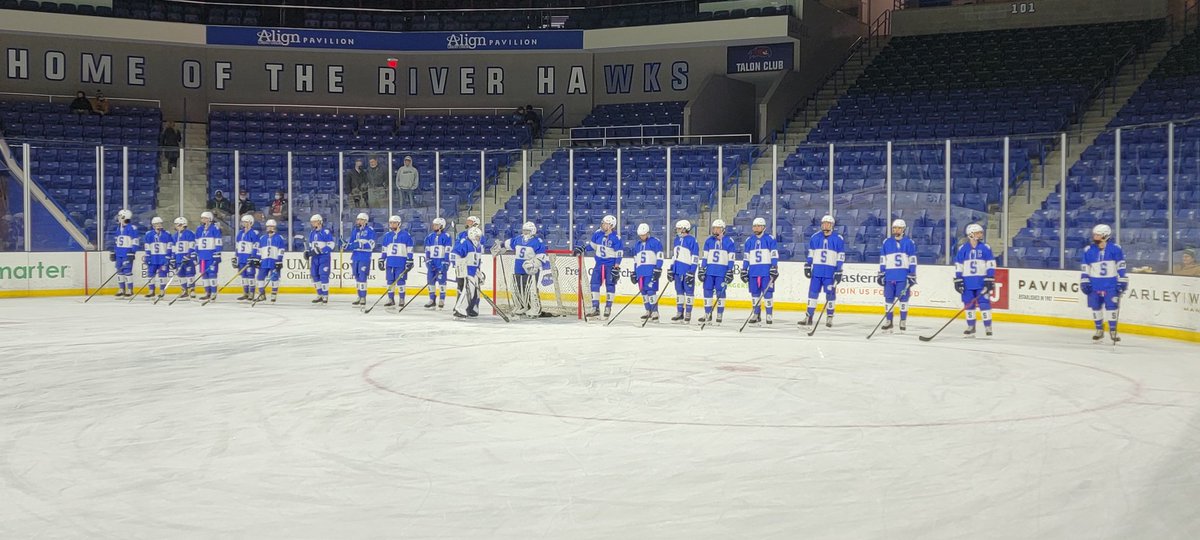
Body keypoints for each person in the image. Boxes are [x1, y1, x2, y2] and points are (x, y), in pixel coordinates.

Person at [492, 221, 551, 318]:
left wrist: (533, 264)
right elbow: (508, 243)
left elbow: (541, 257)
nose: (525, 232)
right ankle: (522, 306)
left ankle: (535, 308)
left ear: (533, 231)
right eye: (524, 230)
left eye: (527, 231)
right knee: (518, 289)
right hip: (518, 268)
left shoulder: (537, 241)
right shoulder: (518, 239)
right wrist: (500, 246)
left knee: (531, 289)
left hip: (530, 270)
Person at [1080, 224, 1128, 342]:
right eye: (1094, 234)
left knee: (1112, 306)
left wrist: (1122, 279)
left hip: (1110, 283)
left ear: (1105, 236)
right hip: (1094, 283)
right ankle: (1099, 330)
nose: (1095, 237)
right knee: (1095, 307)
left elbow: (1120, 264)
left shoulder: (1115, 249)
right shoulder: (1089, 250)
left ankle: (1113, 331)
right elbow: (1085, 266)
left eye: (1098, 235)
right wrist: (1084, 279)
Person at [574, 214, 623, 319]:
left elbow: (619, 253)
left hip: (610, 265)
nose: (602, 224)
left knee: (610, 285)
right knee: (594, 284)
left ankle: (608, 307)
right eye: (603, 223)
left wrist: (617, 266)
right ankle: (595, 308)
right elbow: (592, 246)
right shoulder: (597, 234)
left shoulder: (616, 238)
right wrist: (583, 248)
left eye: (605, 223)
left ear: (611, 225)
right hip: (599, 264)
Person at [800, 215, 845, 328]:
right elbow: (811, 253)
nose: (825, 225)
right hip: (817, 272)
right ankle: (809, 317)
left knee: (830, 295)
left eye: (828, 223)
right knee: (812, 294)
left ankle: (829, 317)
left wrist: (839, 270)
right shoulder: (815, 237)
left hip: (830, 273)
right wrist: (808, 265)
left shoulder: (838, 238)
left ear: (832, 225)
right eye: (823, 223)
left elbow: (840, 256)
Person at [954, 223, 996, 337]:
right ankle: (971, 326)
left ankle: (988, 326)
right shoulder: (962, 249)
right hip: (967, 282)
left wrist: (990, 277)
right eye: (978, 232)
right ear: (971, 234)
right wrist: (958, 279)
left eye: (980, 232)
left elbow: (991, 263)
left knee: (984, 303)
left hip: (981, 281)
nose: (981, 234)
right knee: (968, 304)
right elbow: (959, 265)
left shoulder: (985, 247)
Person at [877, 219, 917, 332]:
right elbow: (883, 259)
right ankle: (889, 321)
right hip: (889, 276)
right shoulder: (886, 242)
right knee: (888, 299)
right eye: (894, 228)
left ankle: (903, 320)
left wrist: (912, 273)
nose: (896, 230)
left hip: (903, 277)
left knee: (903, 299)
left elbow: (912, 260)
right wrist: (881, 273)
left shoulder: (909, 243)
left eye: (899, 228)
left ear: (903, 229)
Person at [698, 219, 737, 325]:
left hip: (721, 272)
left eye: (717, 228)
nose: (714, 230)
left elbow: (731, 258)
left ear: (722, 229)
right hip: (709, 272)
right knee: (707, 291)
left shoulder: (729, 241)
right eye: (713, 228)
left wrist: (730, 270)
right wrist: (702, 268)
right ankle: (707, 314)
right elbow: (705, 257)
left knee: (721, 292)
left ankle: (719, 314)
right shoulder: (708, 241)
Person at [741, 217, 779, 325]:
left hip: (766, 272)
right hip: (753, 272)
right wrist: (744, 269)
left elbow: (774, 254)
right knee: (755, 294)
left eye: (758, 226)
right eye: (754, 226)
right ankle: (756, 314)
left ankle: (769, 314)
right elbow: (746, 257)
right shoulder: (749, 241)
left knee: (768, 294)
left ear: (763, 227)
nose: (756, 228)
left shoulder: (770, 239)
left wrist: (774, 266)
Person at [378, 215, 415, 308]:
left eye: (394, 223)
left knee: (401, 281)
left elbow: (409, 249)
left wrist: (409, 260)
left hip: (401, 262)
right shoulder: (387, 236)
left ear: (399, 224)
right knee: (390, 281)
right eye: (390, 223)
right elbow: (384, 249)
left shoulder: (406, 235)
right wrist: (382, 259)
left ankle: (402, 299)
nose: (392, 224)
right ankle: (390, 299)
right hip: (390, 262)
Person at [631, 223, 664, 323]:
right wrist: (635, 272)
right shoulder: (637, 245)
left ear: (648, 233)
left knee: (651, 291)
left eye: (644, 235)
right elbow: (636, 261)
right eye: (640, 235)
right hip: (641, 272)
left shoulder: (655, 242)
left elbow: (660, 257)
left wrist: (658, 268)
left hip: (650, 271)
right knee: (643, 292)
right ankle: (648, 310)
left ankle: (655, 312)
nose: (642, 237)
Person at [668, 219, 699, 324]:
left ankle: (688, 313)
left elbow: (695, 257)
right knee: (679, 292)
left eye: (679, 228)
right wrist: (671, 268)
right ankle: (679, 312)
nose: (677, 230)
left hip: (687, 271)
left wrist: (692, 271)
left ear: (685, 229)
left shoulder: (692, 240)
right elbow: (674, 256)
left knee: (689, 292)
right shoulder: (676, 240)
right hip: (677, 271)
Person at [451, 226, 485, 318]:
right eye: (477, 236)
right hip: (467, 272)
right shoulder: (465, 243)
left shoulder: (477, 246)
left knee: (472, 292)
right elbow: (454, 254)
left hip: (473, 272)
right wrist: (458, 266)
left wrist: (478, 273)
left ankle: (466, 309)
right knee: (466, 291)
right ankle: (459, 309)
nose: (479, 238)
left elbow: (477, 262)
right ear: (472, 235)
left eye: (479, 236)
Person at [345, 212, 376, 306]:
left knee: (362, 276)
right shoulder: (355, 231)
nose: (358, 221)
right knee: (357, 277)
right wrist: (346, 245)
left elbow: (372, 245)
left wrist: (360, 244)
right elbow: (351, 243)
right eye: (358, 219)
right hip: (355, 256)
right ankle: (359, 295)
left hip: (364, 257)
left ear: (365, 221)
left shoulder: (370, 230)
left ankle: (363, 297)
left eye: (361, 219)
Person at [252, 219, 286, 303]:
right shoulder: (262, 238)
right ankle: (262, 294)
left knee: (275, 277)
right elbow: (259, 250)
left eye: (271, 227)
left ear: (275, 228)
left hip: (274, 261)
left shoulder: (279, 238)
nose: (270, 228)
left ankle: (273, 294)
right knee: (260, 277)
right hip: (264, 261)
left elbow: (281, 250)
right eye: (268, 227)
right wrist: (257, 259)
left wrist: (279, 260)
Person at [424, 217, 453, 309]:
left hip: (441, 262)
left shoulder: (447, 237)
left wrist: (446, 262)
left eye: (436, 225)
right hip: (432, 261)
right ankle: (432, 299)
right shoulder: (429, 237)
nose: (434, 226)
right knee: (430, 281)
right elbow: (427, 250)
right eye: (434, 225)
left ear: (442, 226)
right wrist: (428, 260)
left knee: (442, 281)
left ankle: (442, 299)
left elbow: (447, 251)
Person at [194, 211, 223, 301]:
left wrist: (217, 253)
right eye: (202, 218)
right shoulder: (199, 229)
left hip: (211, 256)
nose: (203, 220)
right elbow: (197, 243)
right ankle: (207, 292)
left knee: (212, 274)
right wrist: (196, 253)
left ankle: (214, 292)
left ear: (209, 219)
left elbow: (218, 242)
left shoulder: (215, 228)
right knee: (204, 274)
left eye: (205, 218)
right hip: (202, 257)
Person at [141, 217, 173, 299]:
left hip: (163, 258)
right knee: (150, 274)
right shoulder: (149, 235)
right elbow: (147, 247)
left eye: (160, 223)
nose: (158, 225)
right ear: (153, 225)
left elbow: (169, 247)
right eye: (156, 224)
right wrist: (148, 256)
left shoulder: (167, 234)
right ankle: (151, 290)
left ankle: (162, 290)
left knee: (162, 274)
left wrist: (168, 257)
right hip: (153, 258)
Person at [109, 209, 138, 297]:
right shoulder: (118, 228)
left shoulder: (131, 228)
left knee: (127, 271)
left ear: (124, 217)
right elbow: (116, 241)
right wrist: (114, 251)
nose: (118, 217)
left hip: (127, 253)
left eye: (119, 216)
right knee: (119, 271)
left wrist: (132, 252)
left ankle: (130, 289)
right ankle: (121, 289)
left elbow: (135, 241)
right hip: (119, 253)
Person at [305, 214, 334, 304]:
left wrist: (320, 251)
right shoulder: (312, 233)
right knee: (314, 275)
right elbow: (311, 246)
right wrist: (308, 253)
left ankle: (325, 295)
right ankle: (319, 294)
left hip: (324, 258)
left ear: (319, 222)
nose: (312, 224)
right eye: (312, 222)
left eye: (314, 222)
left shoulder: (326, 232)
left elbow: (331, 245)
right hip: (315, 258)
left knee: (323, 275)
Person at [455, 216, 486, 301]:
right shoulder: (461, 235)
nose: (467, 222)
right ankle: (460, 303)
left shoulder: (479, 235)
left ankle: (473, 306)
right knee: (460, 284)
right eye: (467, 221)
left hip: (473, 264)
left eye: (469, 221)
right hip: (462, 264)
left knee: (474, 286)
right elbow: (457, 248)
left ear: (475, 223)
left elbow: (479, 249)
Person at [233, 214, 259, 301]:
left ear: (251, 223)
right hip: (241, 258)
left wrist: (253, 257)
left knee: (250, 275)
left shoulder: (254, 233)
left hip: (249, 258)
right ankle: (245, 293)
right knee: (243, 276)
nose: (245, 224)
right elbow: (237, 246)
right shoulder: (240, 233)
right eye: (243, 222)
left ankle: (252, 293)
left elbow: (256, 246)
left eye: (247, 222)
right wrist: (236, 257)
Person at [171, 217, 197, 300]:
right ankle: (184, 291)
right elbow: (174, 248)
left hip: (188, 259)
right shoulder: (175, 236)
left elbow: (192, 246)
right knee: (181, 275)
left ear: (182, 225)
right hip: (179, 259)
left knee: (190, 274)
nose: (175, 226)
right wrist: (173, 258)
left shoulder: (190, 234)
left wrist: (188, 255)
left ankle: (192, 290)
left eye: (177, 224)